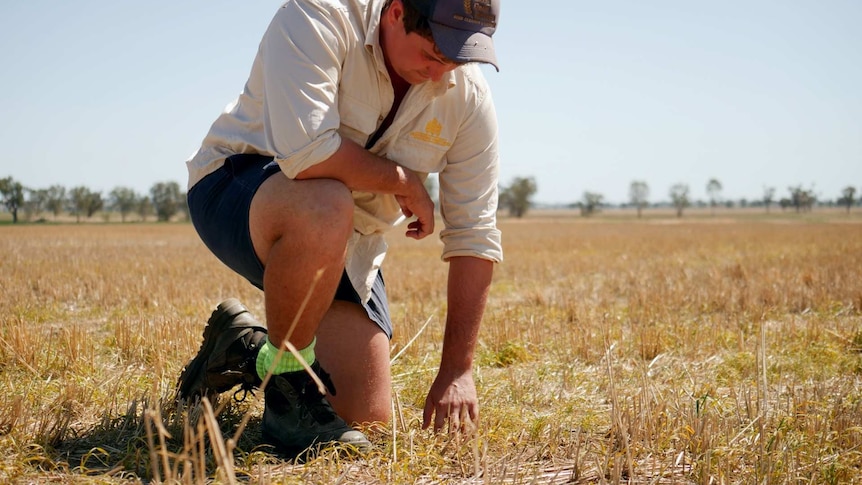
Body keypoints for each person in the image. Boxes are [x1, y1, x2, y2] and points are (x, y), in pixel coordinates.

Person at [176, 0, 503, 456]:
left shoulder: (468, 96)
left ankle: (241, 345)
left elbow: (475, 233)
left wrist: (457, 370)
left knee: (363, 414)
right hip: (238, 189)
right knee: (325, 202)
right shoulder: (317, 15)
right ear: (395, 12)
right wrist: (404, 183)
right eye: (433, 53)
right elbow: (307, 154)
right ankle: (287, 392)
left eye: (458, 57)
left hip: (349, 243)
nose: (441, 72)